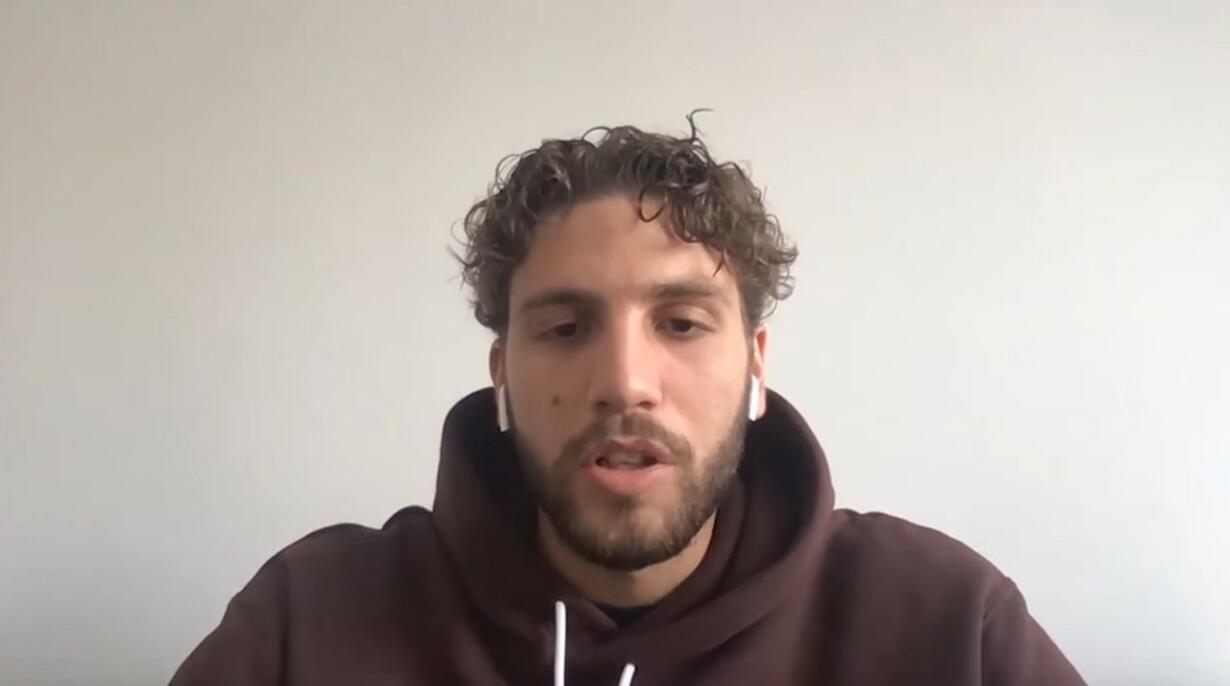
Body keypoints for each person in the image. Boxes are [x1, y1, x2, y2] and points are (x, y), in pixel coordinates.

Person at [170, 117, 1085, 685]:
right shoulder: (310, 621)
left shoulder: (947, 623)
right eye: (566, 328)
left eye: (681, 324)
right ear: (501, 373)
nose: (624, 382)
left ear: (755, 365)